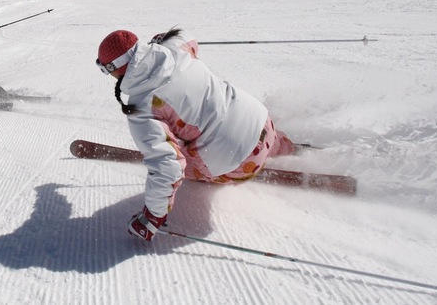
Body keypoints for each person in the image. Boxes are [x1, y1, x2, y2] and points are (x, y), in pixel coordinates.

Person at [95, 28, 295, 242]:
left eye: (105, 70)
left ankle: (240, 165)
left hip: (238, 162)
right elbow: (187, 36)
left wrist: (152, 218)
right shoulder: (174, 49)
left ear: (116, 69)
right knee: (254, 132)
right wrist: (163, 39)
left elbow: (168, 168)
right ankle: (286, 147)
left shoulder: (142, 107)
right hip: (261, 120)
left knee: (179, 160)